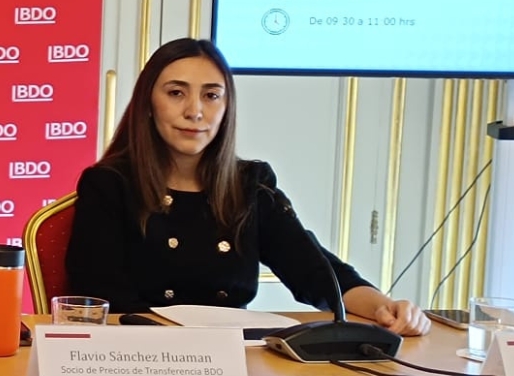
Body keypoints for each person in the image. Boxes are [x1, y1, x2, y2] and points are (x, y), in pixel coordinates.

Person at [66, 37, 428, 334]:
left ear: (227, 108)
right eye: (176, 93)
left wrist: (384, 307)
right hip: (139, 360)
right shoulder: (108, 185)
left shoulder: (250, 185)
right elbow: (102, 299)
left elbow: (313, 271)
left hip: (235, 362)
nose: (195, 111)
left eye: (211, 95)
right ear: (148, 103)